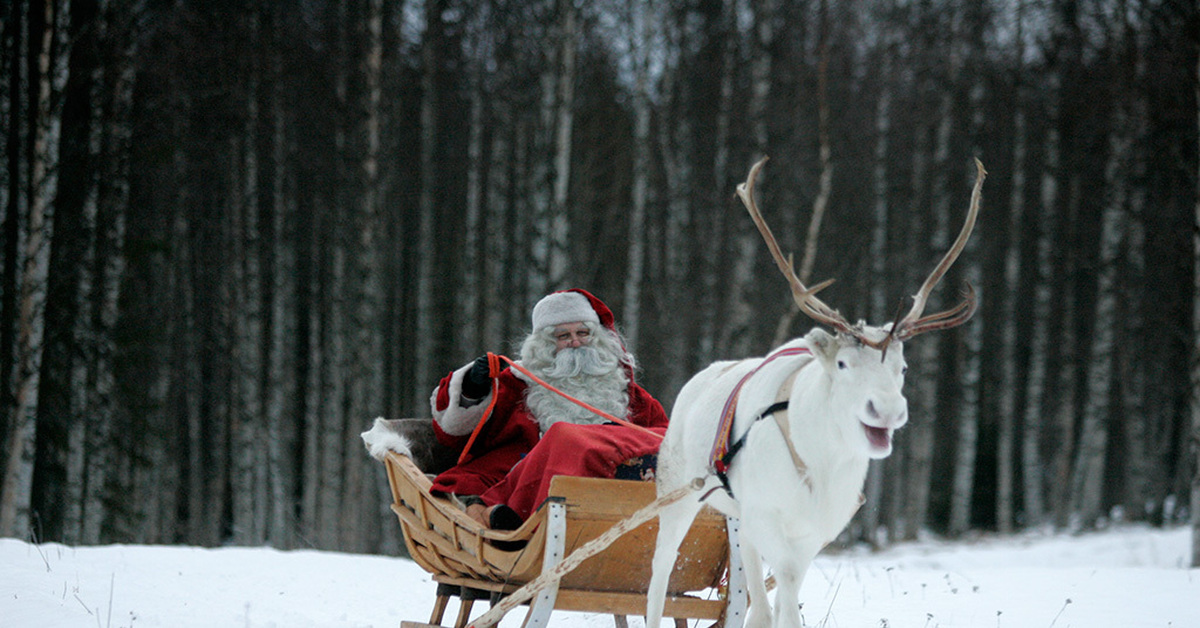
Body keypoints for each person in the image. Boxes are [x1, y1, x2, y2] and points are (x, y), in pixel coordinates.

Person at [428, 289, 668, 529]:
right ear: (543, 344)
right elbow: (455, 433)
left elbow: (663, 436)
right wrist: (473, 387)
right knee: (564, 438)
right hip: (524, 474)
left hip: (612, 485)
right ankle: (513, 519)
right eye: (563, 336)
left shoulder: (624, 389)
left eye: (583, 333)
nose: (575, 342)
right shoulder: (518, 382)